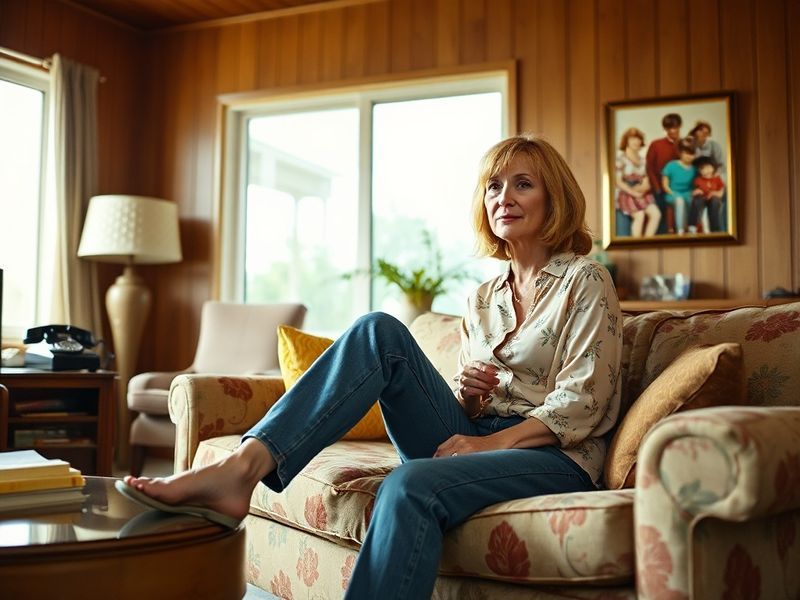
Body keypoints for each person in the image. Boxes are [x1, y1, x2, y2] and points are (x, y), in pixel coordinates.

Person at [118, 134, 623, 599]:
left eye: (522, 184)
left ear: (553, 197)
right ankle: (242, 469)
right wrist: (469, 397)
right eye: (493, 186)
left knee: (408, 483)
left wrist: (487, 443)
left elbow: (582, 404)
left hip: (556, 458)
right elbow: (475, 399)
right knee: (378, 330)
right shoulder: (483, 297)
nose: (502, 197)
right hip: (477, 434)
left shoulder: (585, 280)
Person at [615, 127, 660, 237]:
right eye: (632, 139)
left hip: (642, 192)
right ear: (626, 141)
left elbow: (646, 180)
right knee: (639, 215)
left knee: (656, 214)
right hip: (627, 192)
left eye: (638, 139)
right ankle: (636, 242)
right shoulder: (621, 158)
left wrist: (642, 189)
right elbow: (618, 182)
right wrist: (634, 192)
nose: (636, 142)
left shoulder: (642, 159)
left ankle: (647, 241)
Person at [645, 113, 682, 234]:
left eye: (675, 127)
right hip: (660, 188)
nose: (672, 130)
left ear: (679, 127)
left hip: (680, 188)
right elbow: (649, 167)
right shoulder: (656, 144)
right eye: (669, 128)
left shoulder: (684, 144)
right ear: (665, 129)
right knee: (662, 214)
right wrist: (656, 187)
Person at [661, 136, 697, 234]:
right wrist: (673, 194)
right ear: (681, 152)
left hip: (688, 193)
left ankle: (692, 227)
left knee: (695, 201)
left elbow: (695, 186)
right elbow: (665, 185)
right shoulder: (671, 165)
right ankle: (680, 230)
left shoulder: (695, 169)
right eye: (686, 153)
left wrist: (693, 193)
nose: (689, 156)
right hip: (672, 193)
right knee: (680, 200)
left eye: (692, 154)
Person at [689, 155, 725, 233]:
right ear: (699, 170)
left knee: (715, 201)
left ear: (713, 167)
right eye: (703, 168)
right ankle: (692, 226)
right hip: (702, 200)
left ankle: (715, 229)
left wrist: (713, 193)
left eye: (709, 167)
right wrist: (696, 192)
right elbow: (692, 192)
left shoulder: (717, 179)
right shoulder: (698, 180)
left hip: (713, 200)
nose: (707, 170)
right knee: (697, 201)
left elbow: (721, 193)